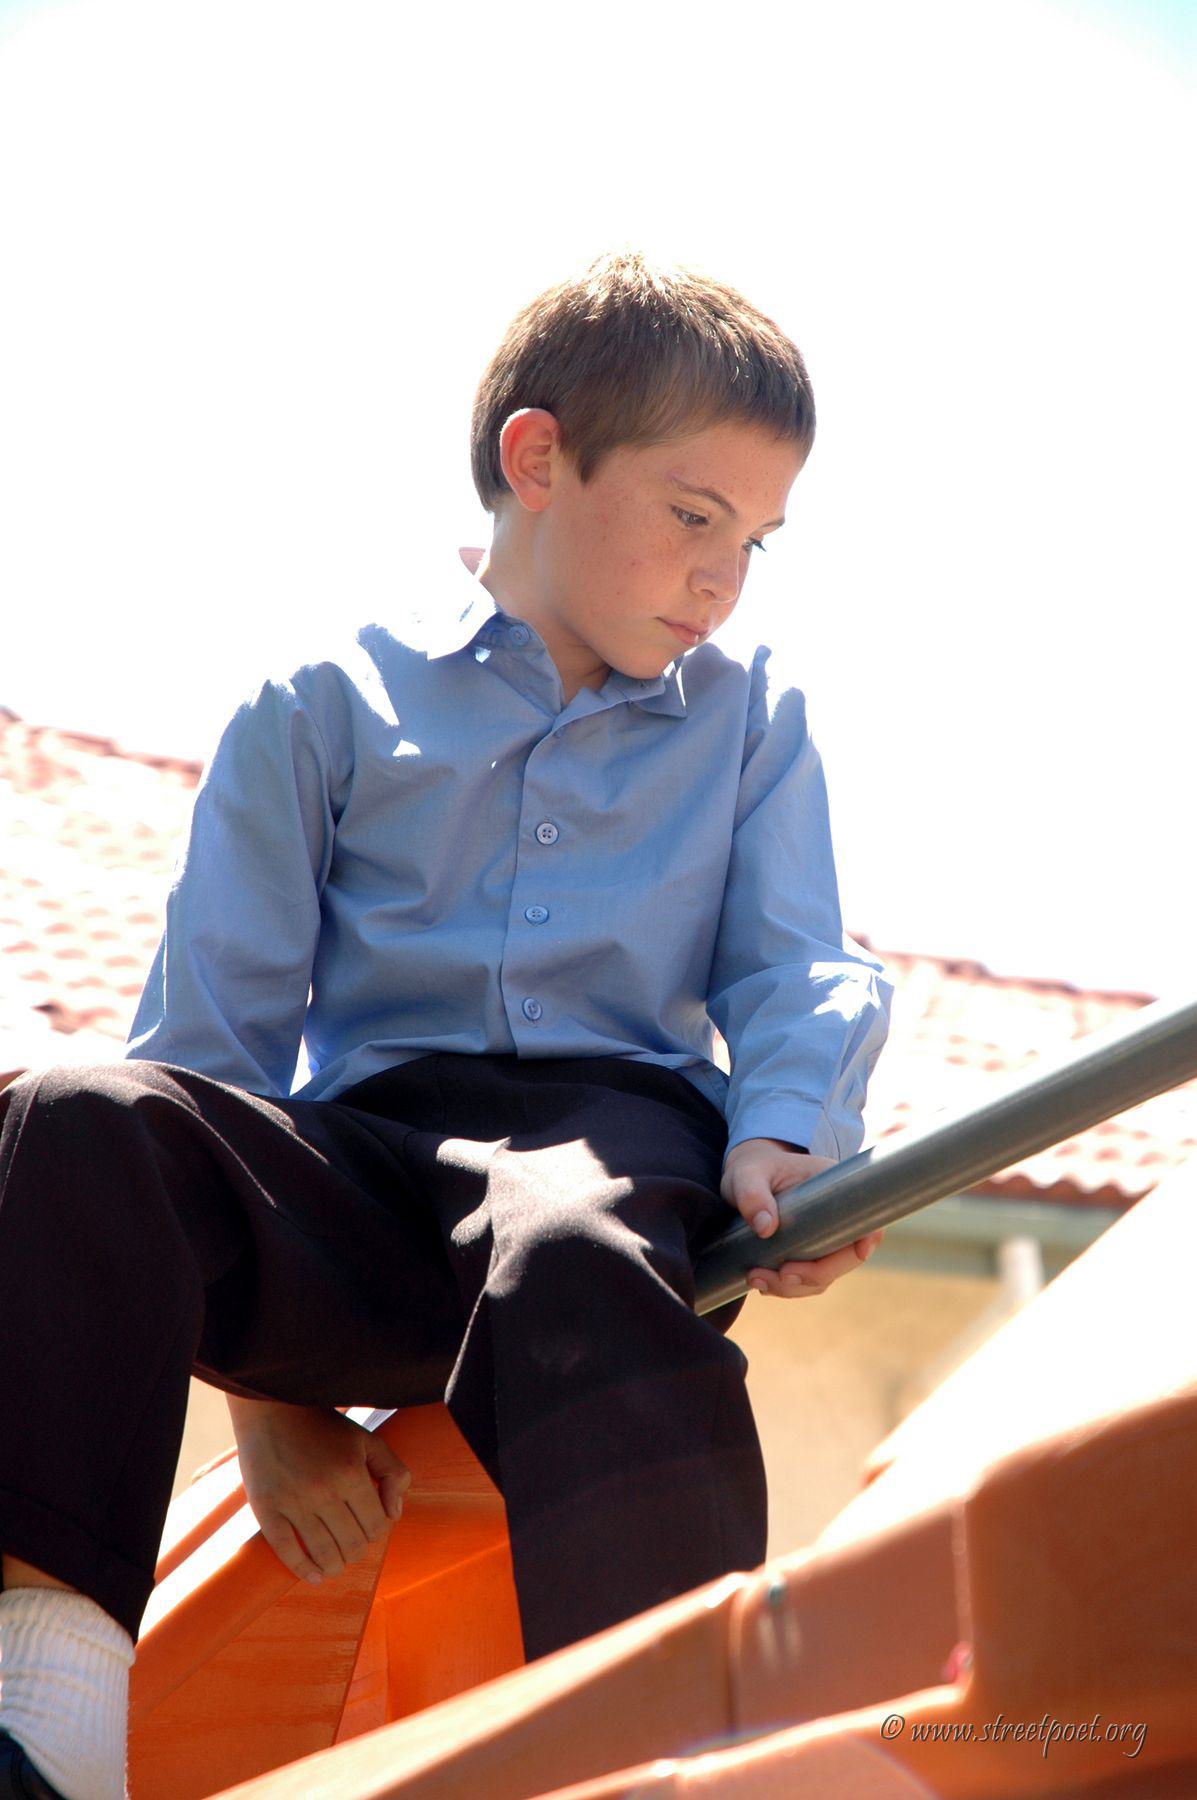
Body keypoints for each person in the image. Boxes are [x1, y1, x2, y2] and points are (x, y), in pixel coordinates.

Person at [0, 247, 893, 1800]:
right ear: (537, 460)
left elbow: (796, 966)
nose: (722, 580)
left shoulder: (750, 715)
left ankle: (667, 1741)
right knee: (72, 1113)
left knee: (566, 1229)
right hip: (369, 1171)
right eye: (694, 516)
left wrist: (789, 1132)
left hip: (608, 1154)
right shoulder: (320, 700)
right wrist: (270, 1408)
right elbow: (210, 1041)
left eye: (755, 542)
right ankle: (49, 1715)